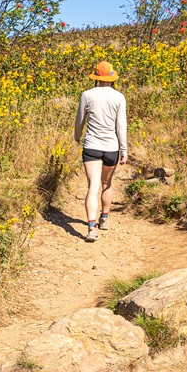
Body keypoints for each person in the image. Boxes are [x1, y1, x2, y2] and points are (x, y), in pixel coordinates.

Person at [74, 61, 128, 242]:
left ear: (96, 77)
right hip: (111, 147)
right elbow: (121, 125)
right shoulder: (119, 97)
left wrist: (77, 136)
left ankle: (91, 228)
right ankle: (104, 218)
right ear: (112, 78)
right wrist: (124, 148)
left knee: (93, 186)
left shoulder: (87, 95)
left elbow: (80, 120)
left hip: (91, 146)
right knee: (107, 184)